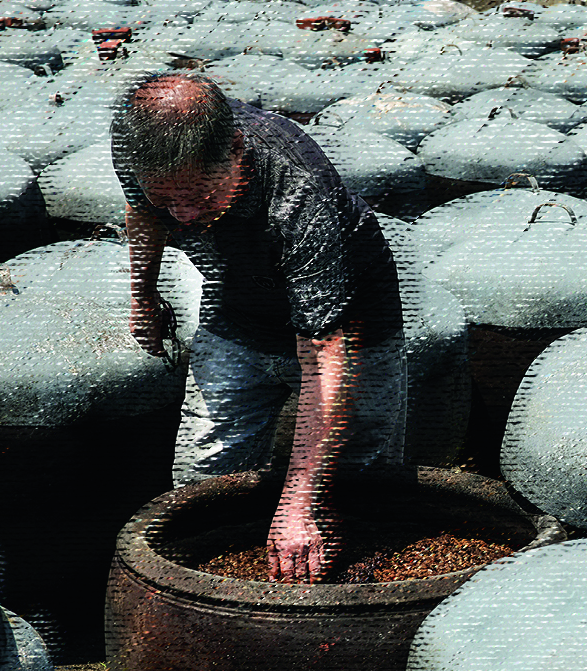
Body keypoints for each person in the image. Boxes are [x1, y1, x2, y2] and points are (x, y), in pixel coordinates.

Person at [111, 71, 405, 584]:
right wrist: (143, 293)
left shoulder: (298, 195)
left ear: (237, 150)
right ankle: (207, 586)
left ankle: (350, 585)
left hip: (351, 319)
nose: (184, 214)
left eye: (200, 197)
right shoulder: (137, 145)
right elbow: (144, 214)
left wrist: (296, 503)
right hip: (238, 301)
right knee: (207, 462)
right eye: (169, 198)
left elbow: (325, 355)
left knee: (357, 472)